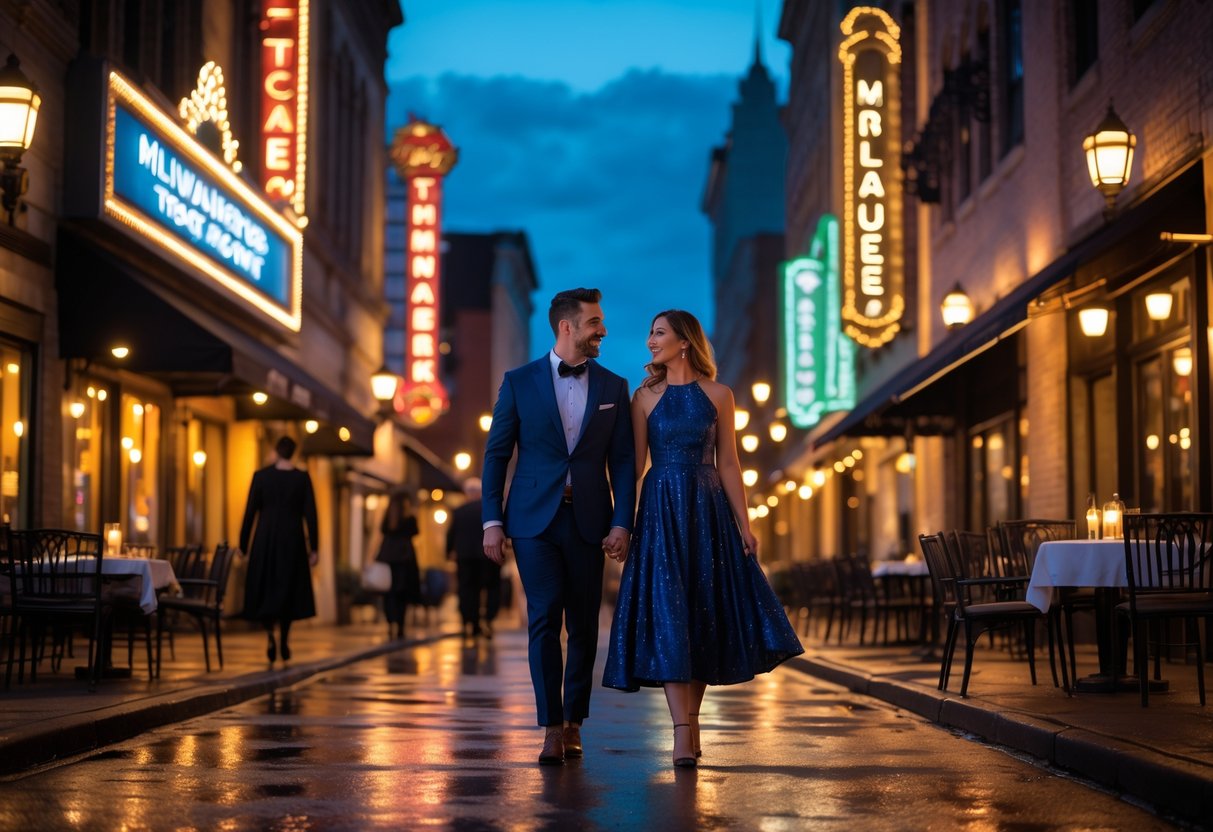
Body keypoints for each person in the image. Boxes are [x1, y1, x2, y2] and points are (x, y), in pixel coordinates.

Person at [602, 309, 804, 767]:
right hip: (660, 512)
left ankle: (691, 722)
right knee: (672, 613)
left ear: (684, 342)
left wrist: (745, 525)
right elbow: (633, 469)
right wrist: (622, 524)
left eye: (659, 333)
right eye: (650, 333)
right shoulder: (644, 397)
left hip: (708, 510)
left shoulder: (720, 394)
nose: (650, 341)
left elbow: (729, 463)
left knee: (701, 614)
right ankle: (681, 731)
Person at [482, 287, 636, 765]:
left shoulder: (614, 387)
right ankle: (550, 726)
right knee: (545, 617)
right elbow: (497, 453)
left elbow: (626, 462)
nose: (603, 331)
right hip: (532, 521)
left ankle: (574, 722)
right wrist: (492, 520)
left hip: (590, 520)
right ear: (567, 327)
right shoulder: (519, 381)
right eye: (595, 323)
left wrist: (622, 523)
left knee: (585, 623)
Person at [239, 435, 319, 663]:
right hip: (292, 540)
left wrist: (243, 545)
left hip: (265, 539)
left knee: (265, 589)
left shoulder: (261, 476)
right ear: (294, 452)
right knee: (289, 591)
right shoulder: (302, 478)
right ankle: (284, 636)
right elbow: (311, 515)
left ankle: (270, 636)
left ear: (276, 451)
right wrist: (315, 548)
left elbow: (250, 512)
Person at [447, 478, 499, 639]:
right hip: (488, 554)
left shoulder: (459, 511)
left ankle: (469, 622)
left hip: (465, 556)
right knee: (491, 588)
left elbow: (451, 535)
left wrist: (448, 552)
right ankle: (488, 620)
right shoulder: (489, 510)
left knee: (467, 589)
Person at [377, 490, 421, 640]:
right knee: (401, 593)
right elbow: (416, 532)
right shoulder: (409, 518)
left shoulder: (389, 517)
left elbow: (382, 531)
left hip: (388, 556)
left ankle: (390, 624)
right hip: (404, 558)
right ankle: (400, 626)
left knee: (389, 594)